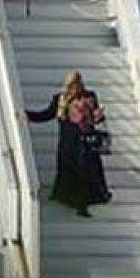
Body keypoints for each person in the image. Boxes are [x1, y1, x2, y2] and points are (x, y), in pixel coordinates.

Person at [26, 70, 111, 217]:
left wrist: (98, 116)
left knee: (82, 173)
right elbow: (47, 114)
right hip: (73, 143)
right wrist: (29, 115)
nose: (76, 87)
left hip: (79, 142)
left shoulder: (86, 97)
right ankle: (77, 203)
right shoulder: (62, 99)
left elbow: (95, 118)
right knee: (75, 172)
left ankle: (79, 203)